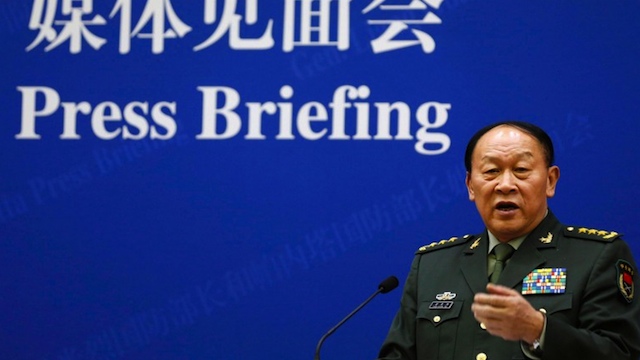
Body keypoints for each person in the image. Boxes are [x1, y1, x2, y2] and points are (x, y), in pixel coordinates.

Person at [377, 121, 640, 360]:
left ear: (550, 180)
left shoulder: (596, 256)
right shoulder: (432, 264)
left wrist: (539, 330)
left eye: (521, 170)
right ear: (470, 185)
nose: (505, 184)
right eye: (491, 171)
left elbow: (620, 354)